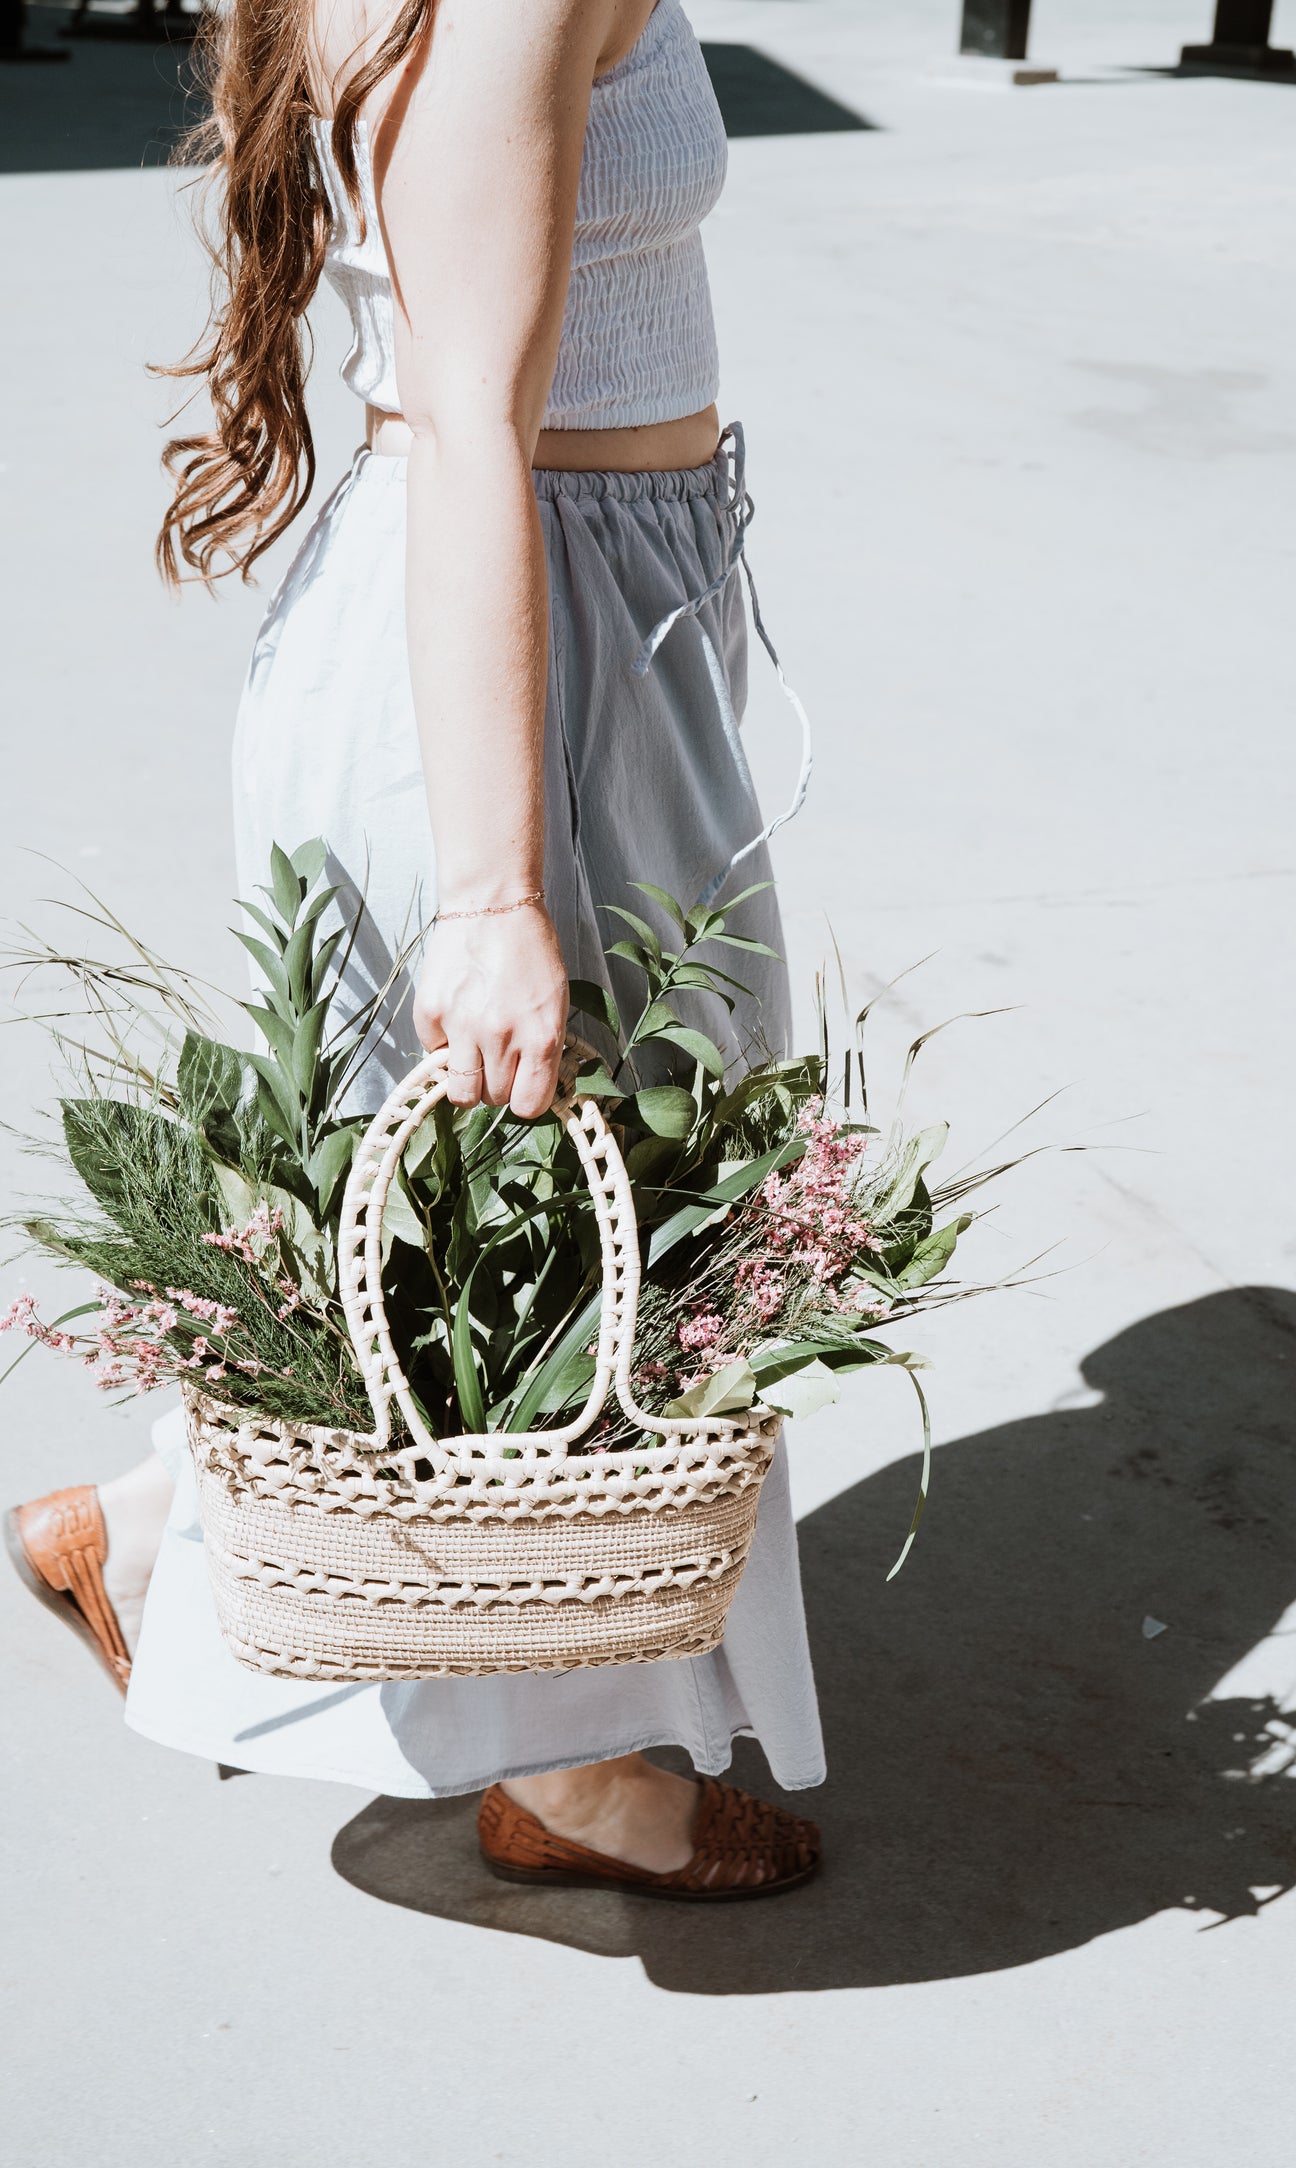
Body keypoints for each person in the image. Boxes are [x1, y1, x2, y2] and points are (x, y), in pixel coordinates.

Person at [6, 0, 824, 1899]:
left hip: (584, 588)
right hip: (528, 622)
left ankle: (148, 1532)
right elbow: (470, 416)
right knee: (592, 1207)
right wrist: (491, 894)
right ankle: (585, 1776)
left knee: (537, 1204)